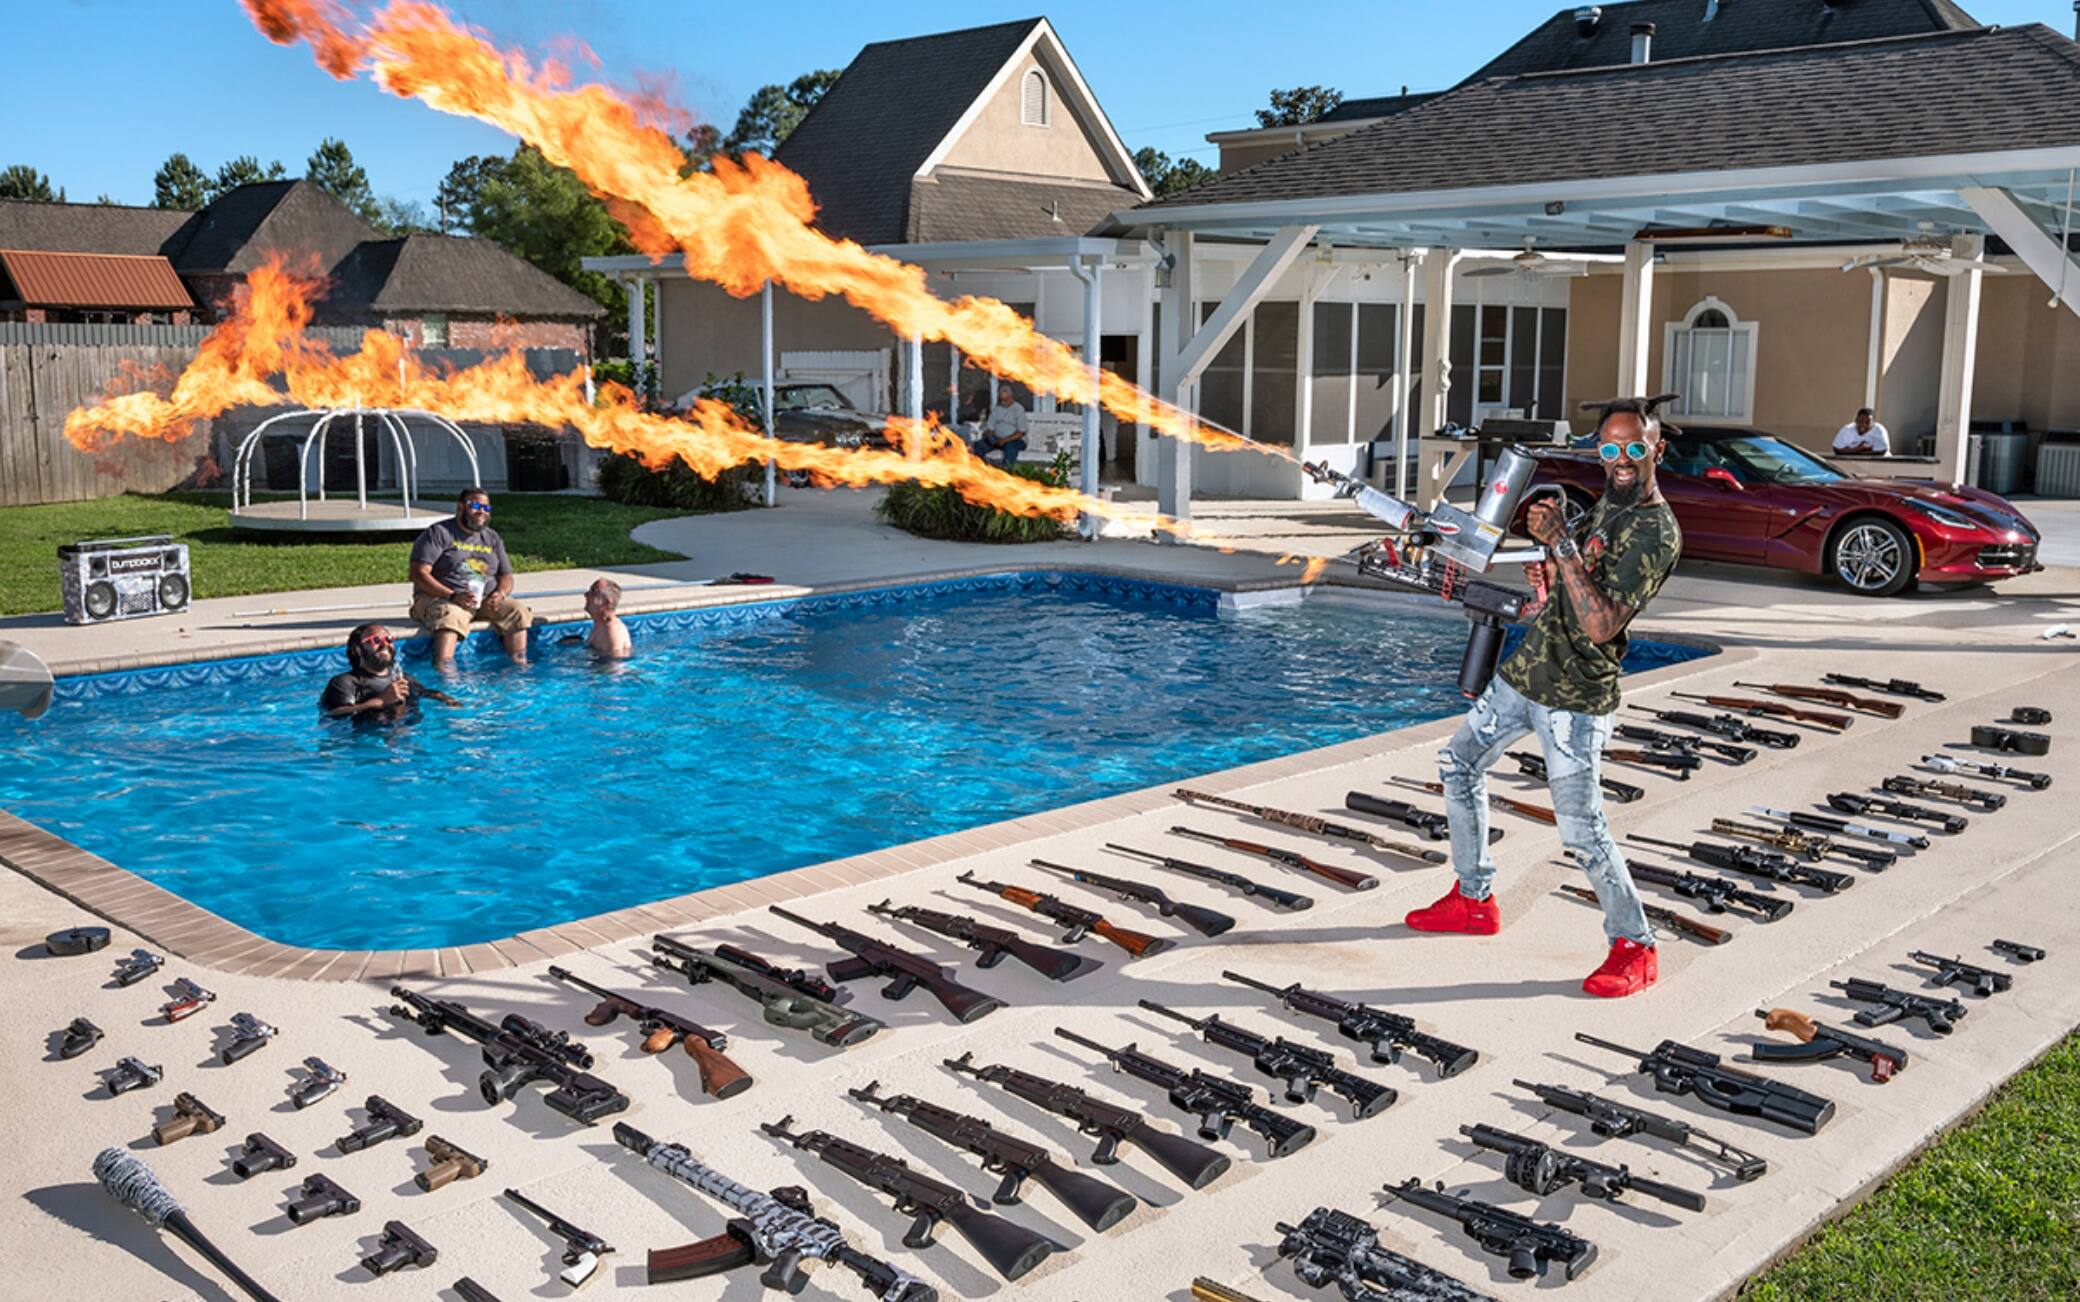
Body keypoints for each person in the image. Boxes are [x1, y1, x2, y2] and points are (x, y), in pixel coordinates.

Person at [1405, 394, 1685, 999]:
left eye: (1635, 447)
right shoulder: (1605, 507)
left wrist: (1558, 544)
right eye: (1610, 447)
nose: (1621, 458)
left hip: (1576, 699)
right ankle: (1474, 898)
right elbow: (1565, 594)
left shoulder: (1655, 530)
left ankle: (1635, 945)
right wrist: (1547, 579)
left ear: (1657, 449)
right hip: (1527, 674)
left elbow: (1602, 624)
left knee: (1582, 831)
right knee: (1458, 763)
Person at [408, 488, 534, 670]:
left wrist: (501, 593)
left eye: (486, 508)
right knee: (451, 615)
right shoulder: (439, 533)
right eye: (475, 506)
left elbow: (505, 575)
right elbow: (418, 573)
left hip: (484, 600)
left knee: (518, 611)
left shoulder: (492, 537)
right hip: (441, 598)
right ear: (460, 507)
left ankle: (518, 670)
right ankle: (445, 673)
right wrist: (452, 596)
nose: (481, 511)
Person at [319, 623, 458, 718]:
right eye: (376, 640)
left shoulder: (402, 678)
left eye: (389, 639)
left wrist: (448, 700)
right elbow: (334, 714)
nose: (385, 644)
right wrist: (380, 701)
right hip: (370, 744)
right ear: (357, 649)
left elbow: (425, 692)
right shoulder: (345, 683)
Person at [975, 388, 1030, 465]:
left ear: (1011, 397)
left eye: (1005, 400)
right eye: (1001, 400)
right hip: (997, 439)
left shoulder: (1018, 409)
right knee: (979, 445)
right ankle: (983, 469)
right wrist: (991, 437)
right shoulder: (996, 409)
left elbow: (1020, 433)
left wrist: (1004, 440)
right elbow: (990, 427)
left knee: (1010, 448)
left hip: (1015, 440)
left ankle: (1008, 471)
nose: (1002, 402)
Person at [584, 578, 633, 659]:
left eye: (593, 592)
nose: (586, 595)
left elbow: (613, 667)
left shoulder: (612, 631)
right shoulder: (600, 624)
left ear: (607, 603)